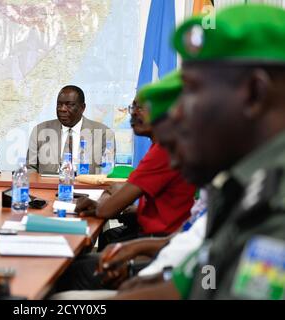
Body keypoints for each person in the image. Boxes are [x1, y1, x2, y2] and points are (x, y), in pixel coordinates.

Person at [114, 4, 285, 300]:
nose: (177, 113)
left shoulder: (274, 201)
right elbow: (209, 282)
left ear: (255, 94)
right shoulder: (241, 188)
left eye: (193, 90)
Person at [75, 96, 196, 250]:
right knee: (108, 237)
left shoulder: (163, 150)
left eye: (141, 108)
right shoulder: (161, 146)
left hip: (163, 240)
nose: (133, 113)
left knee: (79, 267)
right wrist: (103, 204)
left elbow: (107, 210)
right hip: (160, 233)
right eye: (133, 108)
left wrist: (107, 201)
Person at [26, 85, 114, 174]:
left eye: (70, 105)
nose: (62, 109)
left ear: (82, 108)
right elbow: (30, 168)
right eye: (59, 104)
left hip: (87, 186)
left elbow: (107, 172)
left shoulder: (104, 133)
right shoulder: (40, 130)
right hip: (49, 186)